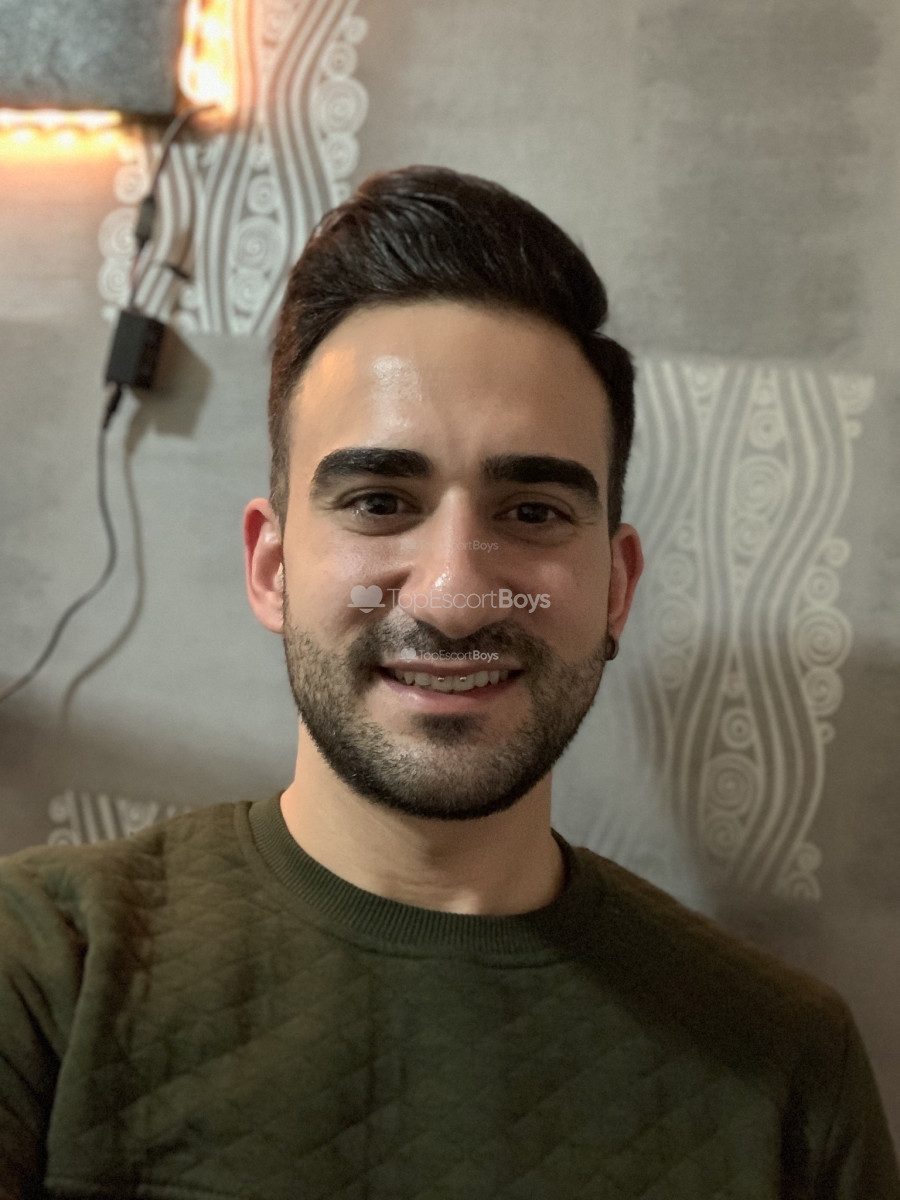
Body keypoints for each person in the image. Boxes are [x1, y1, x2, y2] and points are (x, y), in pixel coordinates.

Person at [0, 165, 897, 1200]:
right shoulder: (45, 970)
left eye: (533, 514)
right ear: (273, 569)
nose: (457, 597)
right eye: (380, 502)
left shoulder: (788, 1070)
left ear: (615, 588)